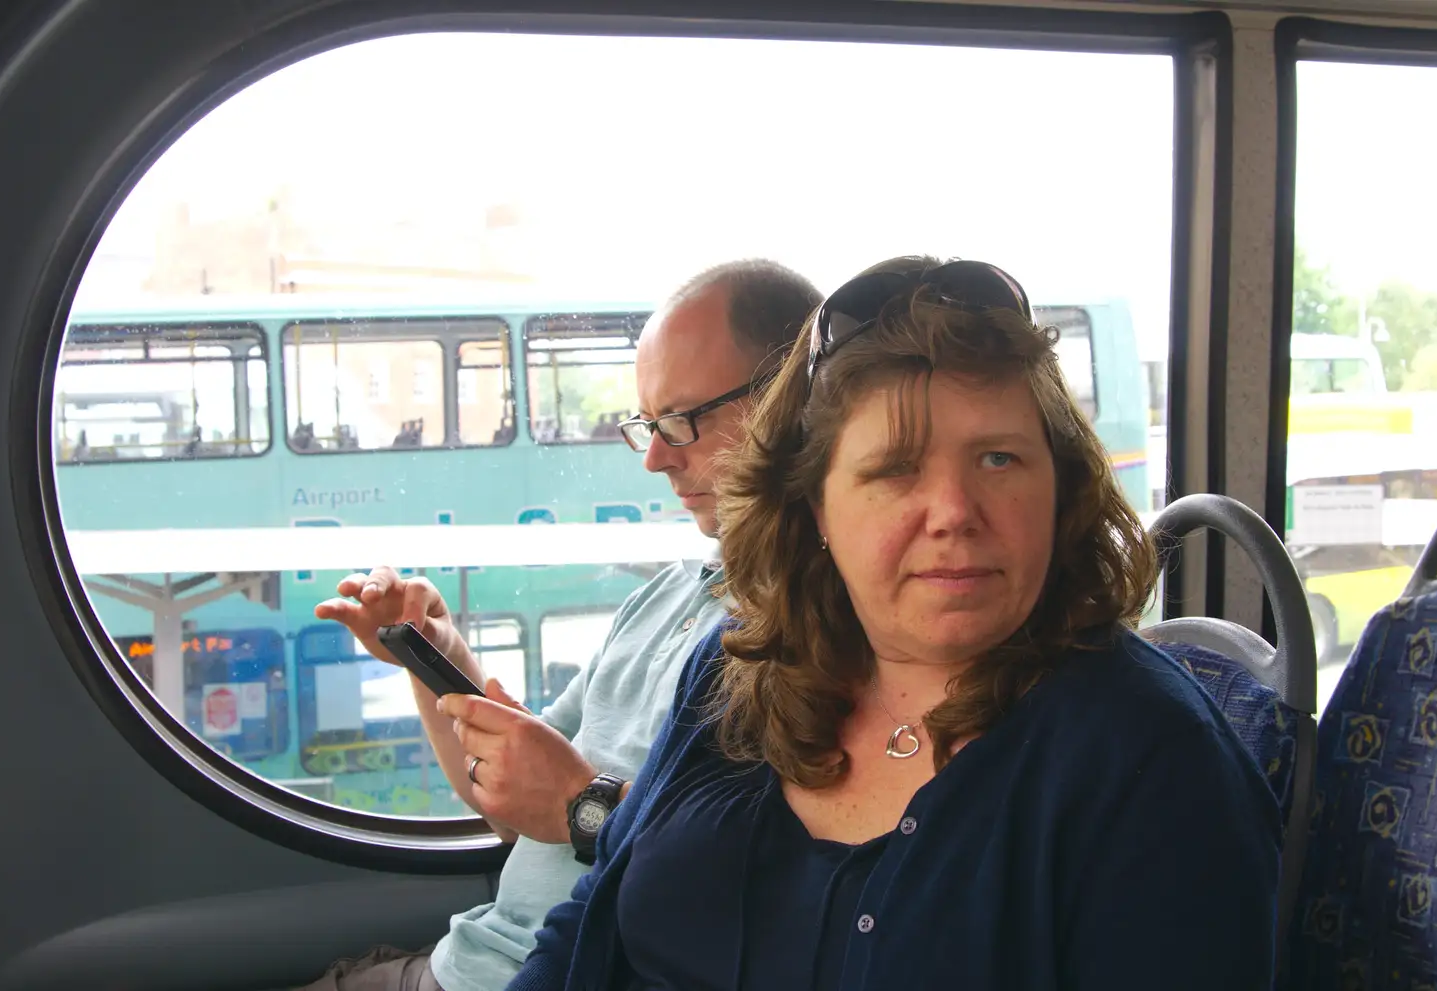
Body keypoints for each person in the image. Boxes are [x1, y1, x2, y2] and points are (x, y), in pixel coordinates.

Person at [509, 257, 1282, 991]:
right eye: (894, 469)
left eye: (999, 460)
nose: (953, 513)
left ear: (1061, 490)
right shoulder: (736, 668)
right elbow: (588, 922)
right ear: (815, 507)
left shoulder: (1152, 760)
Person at [298, 259, 823, 991]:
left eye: (682, 420)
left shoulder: (817, 631)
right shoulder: (665, 598)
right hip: (461, 961)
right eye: (646, 424)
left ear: (789, 399)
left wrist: (585, 802)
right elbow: (515, 807)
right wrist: (432, 658)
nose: (656, 458)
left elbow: (749, 887)